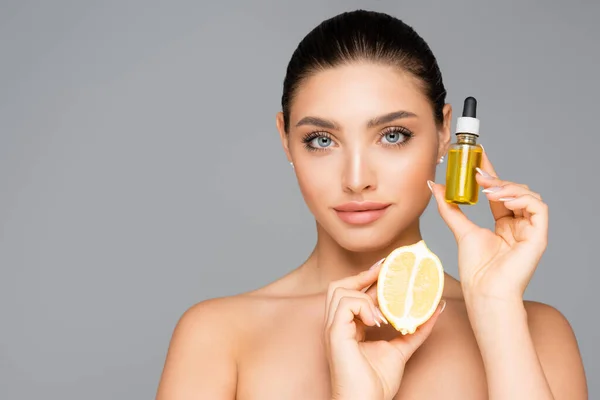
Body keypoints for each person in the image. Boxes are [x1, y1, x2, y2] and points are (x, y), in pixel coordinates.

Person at [155, 9, 588, 399]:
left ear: (443, 133)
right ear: (286, 140)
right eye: (321, 140)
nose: (357, 179)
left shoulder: (536, 333)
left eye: (393, 135)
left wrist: (497, 314)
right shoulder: (217, 337)